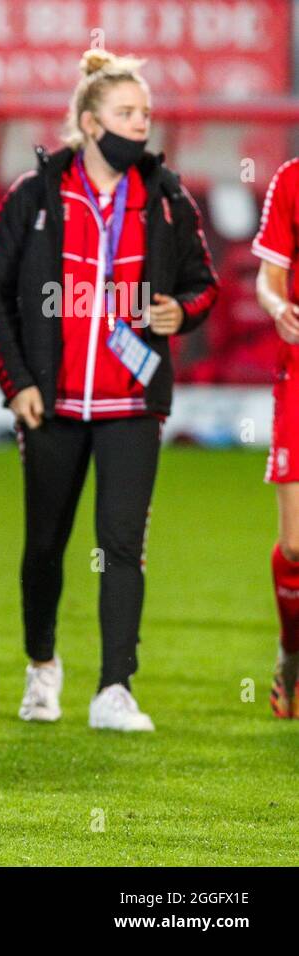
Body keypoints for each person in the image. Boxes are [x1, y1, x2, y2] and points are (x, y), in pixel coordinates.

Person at [0, 50, 217, 731]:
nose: (140, 126)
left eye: (145, 115)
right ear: (88, 122)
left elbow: (204, 283)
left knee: (121, 544)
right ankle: (41, 667)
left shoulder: (167, 198)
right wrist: (16, 381)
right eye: (126, 114)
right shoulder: (36, 193)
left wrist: (183, 313)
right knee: (44, 547)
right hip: (50, 406)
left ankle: (116, 688)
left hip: (132, 403)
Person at [251, 157, 299, 718]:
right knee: (293, 547)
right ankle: (291, 653)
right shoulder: (290, 178)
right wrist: (276, 304)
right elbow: (270, 273)